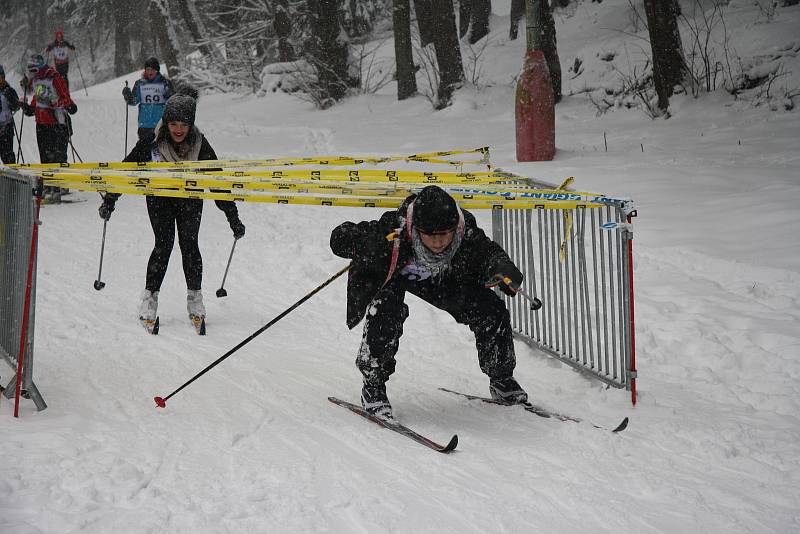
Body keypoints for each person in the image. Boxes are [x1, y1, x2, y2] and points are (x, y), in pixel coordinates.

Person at [330, 185, 528, 418]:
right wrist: (368, 247)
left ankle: (501, 377)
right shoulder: (396, 229)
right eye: (431, 236)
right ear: (416, 228)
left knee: (490, 309)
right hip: (396, 275)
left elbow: (487, 253)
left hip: (443, 281)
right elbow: (339, 238)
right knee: (385, 311)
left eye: (445, 234)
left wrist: (503, 268)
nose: (438, 243)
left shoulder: (465, 231)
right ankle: (373, 386)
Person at [97, 86, 246, 329]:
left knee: (190, 245)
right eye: (174, 124)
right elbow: (125, 170)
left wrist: (233, 218)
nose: (178, 129)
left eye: (184, 125)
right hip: (159, 199)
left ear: (191, 125)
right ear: (166, 123)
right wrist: (110, 200)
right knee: (163, 245)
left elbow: (218, 182)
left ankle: (195, 300)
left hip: (190, 199)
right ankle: (149, 299)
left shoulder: (200, 145)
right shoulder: (151, 143)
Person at [21, 54, 77, 202]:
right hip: (41, 124)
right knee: (45, 156)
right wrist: (27, 107)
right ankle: (47, 185)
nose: (31, 74)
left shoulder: (53, 76)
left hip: (56, 123)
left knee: (57, 156)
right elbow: (35, 103)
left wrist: (55, 103)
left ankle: (58, 186)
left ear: (39, 68)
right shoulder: (36, 81)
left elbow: (66, 98)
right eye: (30, 71)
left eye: (33, 70)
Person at [123, 57, 173, 140]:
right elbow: (133, 101)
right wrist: (127, 95)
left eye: (153, 70)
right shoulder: (140, 83)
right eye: (148, 69)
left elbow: (172, 101)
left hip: (161, 125)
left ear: (157, 70)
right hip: (144, 125)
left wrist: (168, 96)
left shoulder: (164, 83)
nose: (150, 72)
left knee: (160, 151)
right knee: (144, 151)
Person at [0, 64, 21, 164]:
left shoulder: (9, 90)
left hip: (6, 127)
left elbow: (16, 106)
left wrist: (12, 100)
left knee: (7, 156)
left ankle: (11, 177)